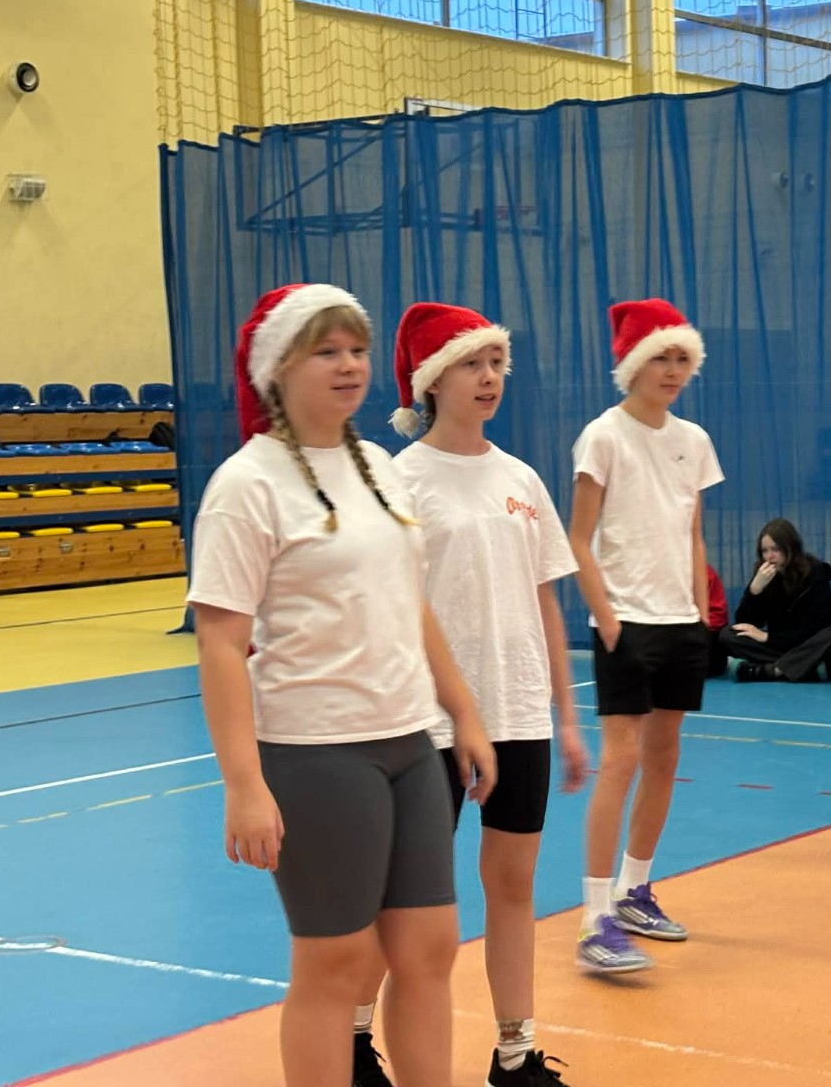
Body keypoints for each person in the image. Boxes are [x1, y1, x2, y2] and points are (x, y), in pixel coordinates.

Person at [186, 284, 496, 1087]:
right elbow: (221, 644)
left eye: (357, 349)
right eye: (326, 351)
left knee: (429, 948)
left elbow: (410, 601)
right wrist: (244, 785)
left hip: (409, 742)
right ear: (276, 369)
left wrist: (462, 712)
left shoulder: (380, 469)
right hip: (315, 752)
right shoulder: (246, 486)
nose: (349, 365)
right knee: (335, 962)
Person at [349, 302, 584, 1087]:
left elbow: (546, 601)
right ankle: (352, 1041)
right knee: (409, 901)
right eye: (470, 364)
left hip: (519, 715)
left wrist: (566, 716)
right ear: (430, 381)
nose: (489, 378)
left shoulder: (520, 479)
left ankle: (515, 1055)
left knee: (513, 885)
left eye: (496, 363)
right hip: (431, 722)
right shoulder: (398, 479)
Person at [569, 299, 723, 975]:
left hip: (680, 624)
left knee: (663, 757)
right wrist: (607, 618)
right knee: (621, 759)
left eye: (683, 358)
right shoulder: (602, 437)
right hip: (626, 622)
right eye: (661, 356)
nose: (673, 369)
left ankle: (634, 891)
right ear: (633, 362)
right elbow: (578, 538)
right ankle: (593, 917)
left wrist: (699, 611)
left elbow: (692, 531)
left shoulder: (695, 440)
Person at [720, 518, 831, 681]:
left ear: (790, 548)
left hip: (808, 644)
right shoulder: (763, 576)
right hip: (782, 648)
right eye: (764, 551)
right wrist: (754, 591)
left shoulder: (815, 573)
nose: (769, 556)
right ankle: (802, 668)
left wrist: (768, 637)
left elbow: (823, 625)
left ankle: (774, 670)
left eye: (775, 549)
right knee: (728, 635)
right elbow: (746, 623)